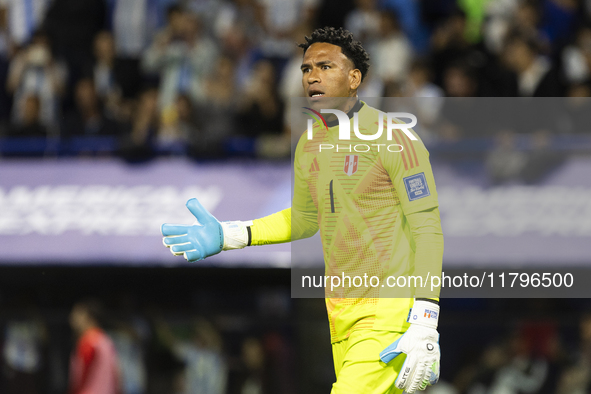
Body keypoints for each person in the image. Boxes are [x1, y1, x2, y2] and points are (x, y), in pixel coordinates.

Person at [161, 26, 443, 394]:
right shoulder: (310, 144)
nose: (312, 77)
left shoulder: (396, 138)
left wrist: (425, 319)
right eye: (307, 69)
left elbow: (428, 230)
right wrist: (232, 234)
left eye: (325, 67)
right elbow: (306, 219)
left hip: (388, 318)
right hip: (341, 322)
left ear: (354, 78)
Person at [68, 299, 121, 394]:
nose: (71, 319)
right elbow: (117, 375)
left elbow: (78, 378)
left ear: (89, 317)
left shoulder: (87, 343)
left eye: (77, 314)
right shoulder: (105, 340)